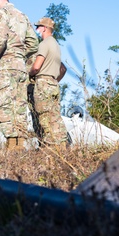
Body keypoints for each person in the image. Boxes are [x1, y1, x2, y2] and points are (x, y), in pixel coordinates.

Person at [0, 0, 37, 148]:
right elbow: (33, 43)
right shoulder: (23, 16)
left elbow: (0, 41)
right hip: (20, 68)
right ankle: (19, 145)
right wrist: (19, 55)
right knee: (19, 106)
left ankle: (11, 145)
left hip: (4, 67)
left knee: (3, 105)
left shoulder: (1, 14)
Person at [29, 16, 69, 144]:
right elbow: (63, 69)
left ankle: (51, 148)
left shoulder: (44, 44)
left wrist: (29, 74)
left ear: (45, 28)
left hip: (43, 83)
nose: (36, 29)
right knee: (55, 117)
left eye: (38, 26)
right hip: (53, 83)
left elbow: (36, 67)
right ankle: (62, 145)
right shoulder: (56, 45)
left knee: (45, 117)